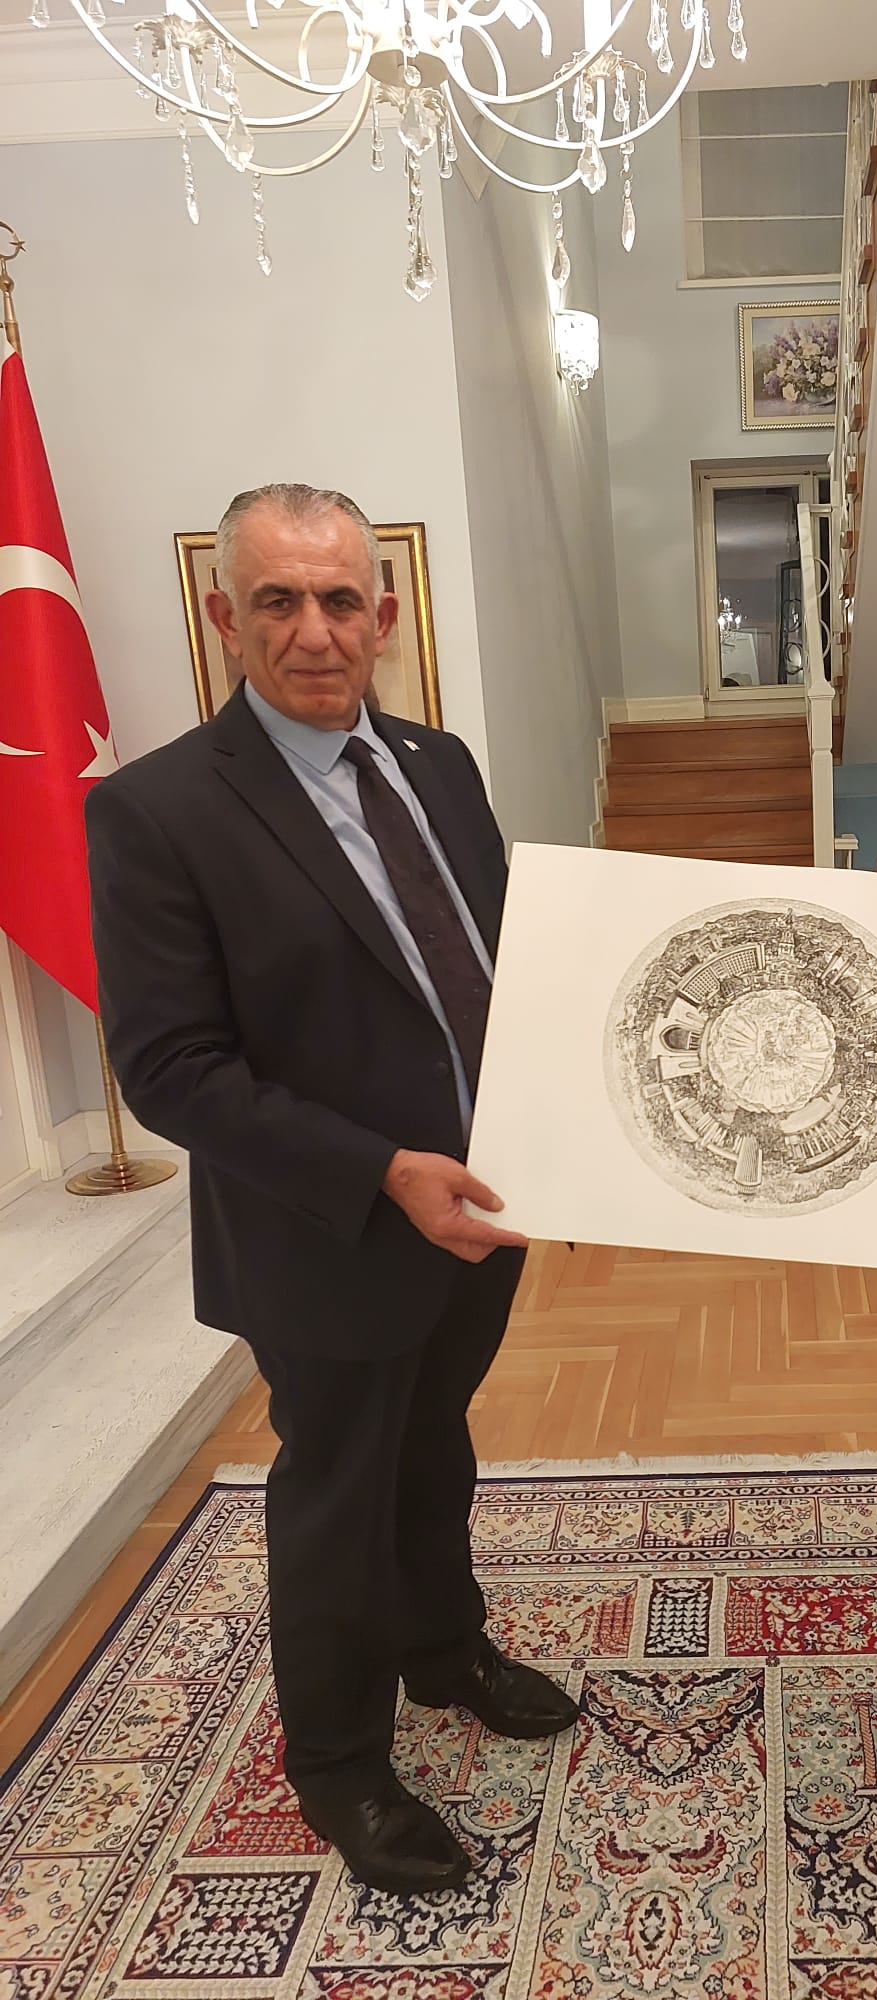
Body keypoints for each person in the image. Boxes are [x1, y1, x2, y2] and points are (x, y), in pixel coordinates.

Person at [85, 483, 577, 1898]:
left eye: (340, 599)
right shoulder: (158, 809)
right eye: (278, 600)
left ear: (386, 614)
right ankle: (342, 1760)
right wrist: (380, 1173)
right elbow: (171, 1070)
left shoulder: (441, 764)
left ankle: (444, 1648)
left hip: (481, 1209)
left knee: (433, 1444)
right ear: (223, 615)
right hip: (329, 1230)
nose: (314, 630)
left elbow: (507, 958)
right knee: (337, 1492)